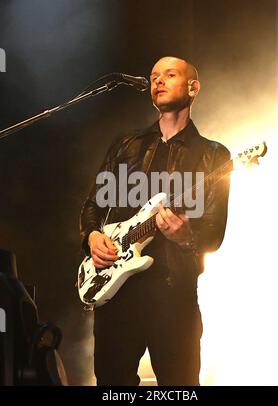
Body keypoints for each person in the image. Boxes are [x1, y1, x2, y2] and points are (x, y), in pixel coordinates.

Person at [80, 56, 230, 386]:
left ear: (193, 88)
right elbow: (93, 205)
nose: (157, 81)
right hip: (116, 294)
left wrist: (186, 237)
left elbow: (214, 233)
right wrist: (92, 237)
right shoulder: (126, 145)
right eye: (153, 76)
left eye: (169, 74)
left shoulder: (213, 156)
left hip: (173, 295)